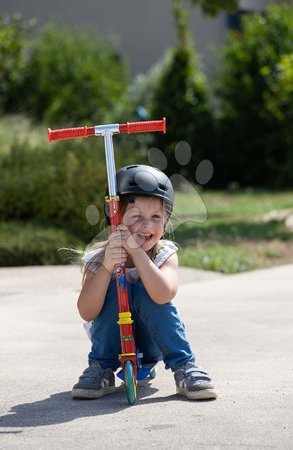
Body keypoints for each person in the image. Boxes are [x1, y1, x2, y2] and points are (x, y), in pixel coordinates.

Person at [72, 164, 217, 401]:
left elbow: (163, 295)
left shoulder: (164, 255)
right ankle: (101, 368)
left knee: (144, 290)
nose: (147, 225)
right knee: (113, 286)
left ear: (166, 221)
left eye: (156, 217)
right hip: (112, 343)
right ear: (115, 218)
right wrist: (108, 267)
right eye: (136, 216)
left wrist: (137, 253)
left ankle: (185, 366)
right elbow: (86, 311)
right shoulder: (98, 260)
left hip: (153, 341)